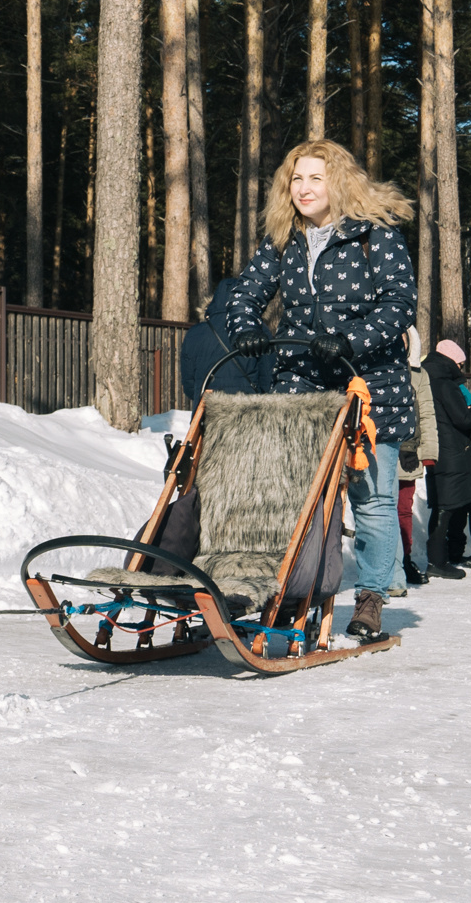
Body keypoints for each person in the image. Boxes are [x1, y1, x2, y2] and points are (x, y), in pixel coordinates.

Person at [228, 139, 416, 644]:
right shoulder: (283, 239)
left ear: (339, 182)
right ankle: (296, 592)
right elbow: (245, 292)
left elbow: (399, 305)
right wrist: (246, 324)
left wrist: (350, 339)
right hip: (302, 389)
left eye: (316, 178)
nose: (304, 188)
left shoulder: (375, 237)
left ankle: (372, 597)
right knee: (303, 499)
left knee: (372, 501)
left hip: (367, 386)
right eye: (296, 179)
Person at [422, 339, 471, 576]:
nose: (461, 369)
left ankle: (440, 558)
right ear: (452, 362)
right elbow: (463, 419)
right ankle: (437, 561)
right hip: (451, 452)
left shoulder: (427, 379)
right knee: (446, 508)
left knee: (442, 506)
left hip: (437, 450)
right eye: (460, 364)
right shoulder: (445, 384)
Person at [180, 277, 275, 404]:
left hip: (207, 412)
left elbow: (189, 386)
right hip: (247, 411)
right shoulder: (258, 330)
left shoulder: (194, 333)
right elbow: (269, 378)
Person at [399, 328, 439, 586]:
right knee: (377, 511)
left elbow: (426, 412)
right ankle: (381, 563)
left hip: (408, 453)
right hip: (375, 451)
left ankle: (404, 559)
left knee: (403, 510)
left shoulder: (418, 375)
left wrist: (428, 452)